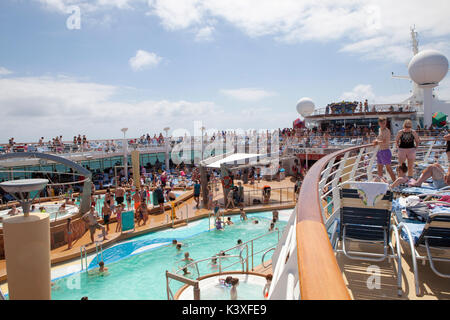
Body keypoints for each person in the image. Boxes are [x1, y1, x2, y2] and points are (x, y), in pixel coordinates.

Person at [373, 117, 396, 181]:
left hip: (385, 151)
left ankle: (395, 182)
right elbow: (379, 138)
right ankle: (380, 183)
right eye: (382, 123)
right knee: (379, 168)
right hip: (380, 151)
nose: (383, 124)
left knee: (388, 168)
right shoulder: (380, 129)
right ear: (379, 123)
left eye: (384, 123)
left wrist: (377, 142)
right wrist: (376, 140)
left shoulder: (387, 131)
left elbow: (385, 141)